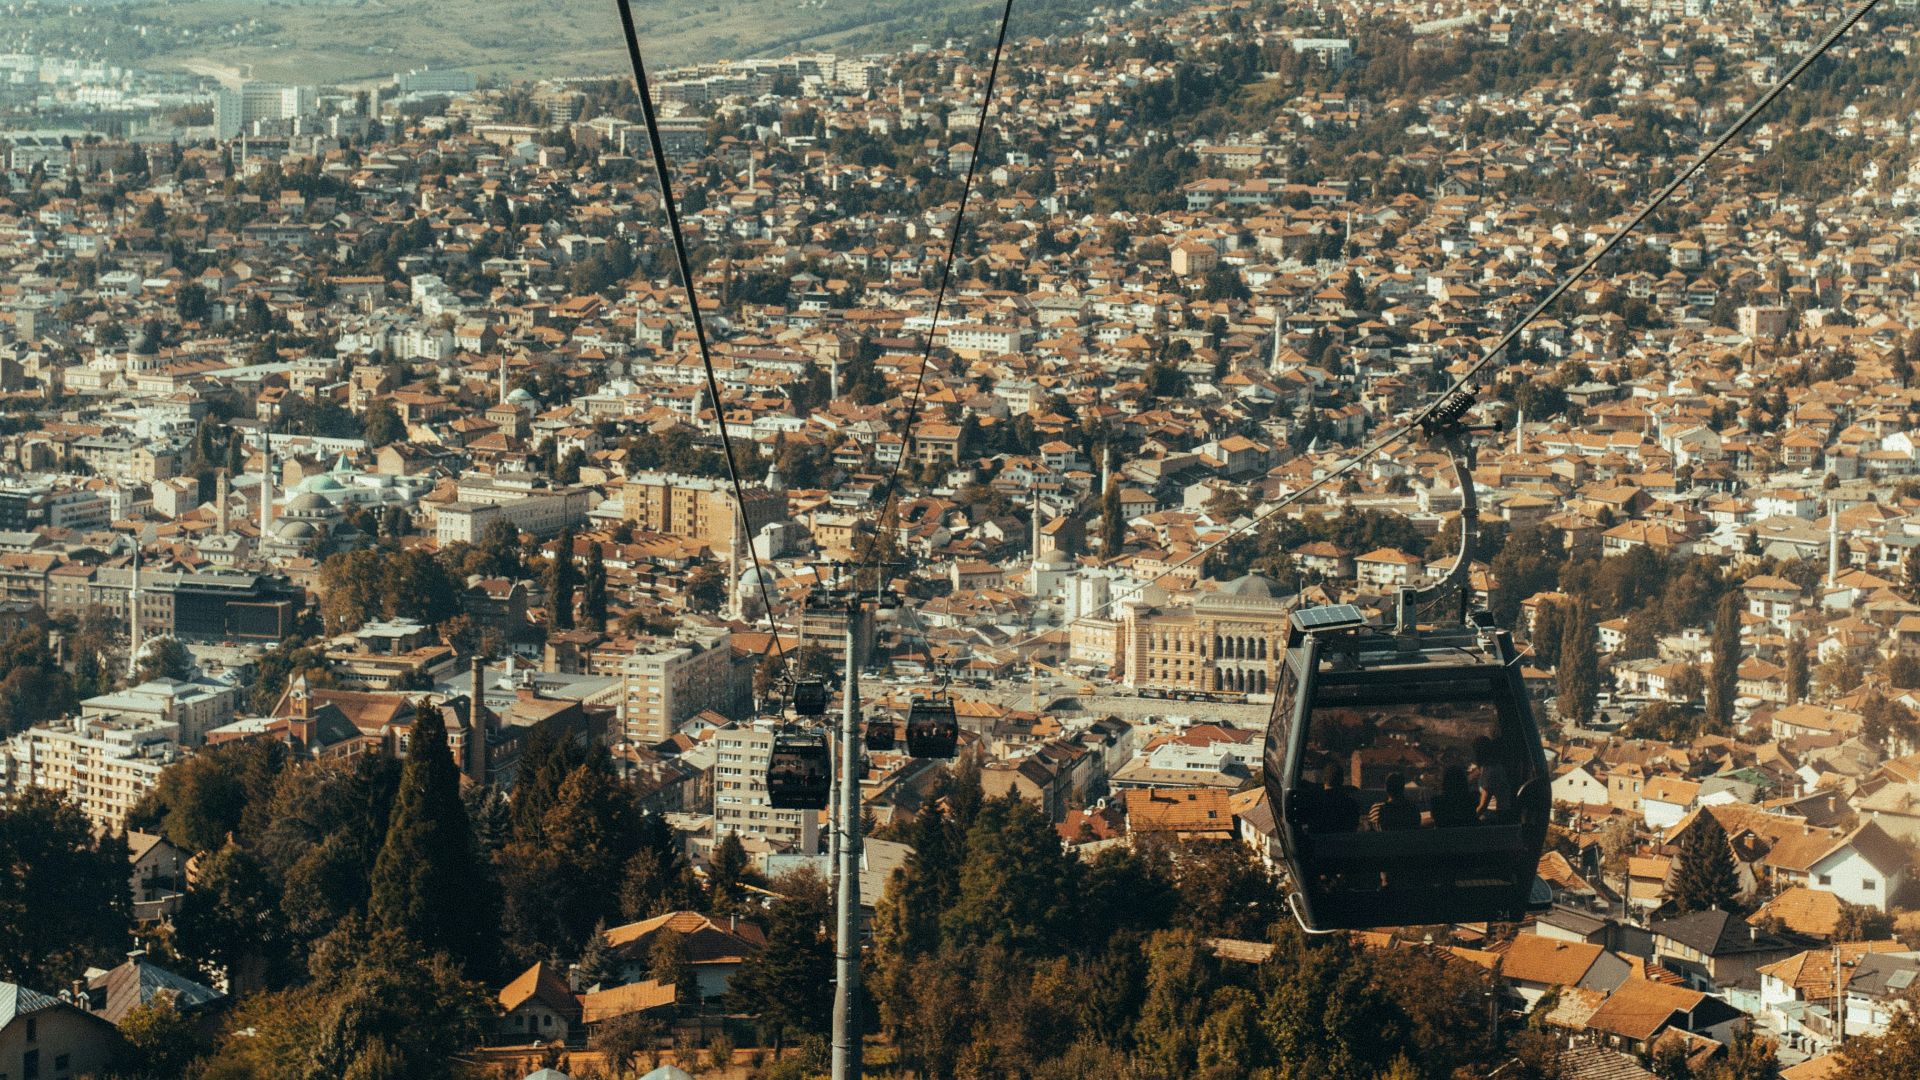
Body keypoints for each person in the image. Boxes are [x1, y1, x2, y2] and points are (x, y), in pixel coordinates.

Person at [1471, 737, 1515, 821]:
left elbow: (1483, 806)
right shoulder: (1486, 767)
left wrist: (1469, 819)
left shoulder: (1491, 771)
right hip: (1491, 811)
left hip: (1495, 814)